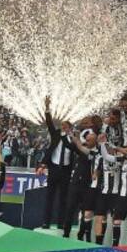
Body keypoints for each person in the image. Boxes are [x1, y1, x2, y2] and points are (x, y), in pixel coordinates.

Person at [42, 95, 78, 230]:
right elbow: (49, 122)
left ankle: (60, 223)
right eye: (62, 125)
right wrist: (47, 108)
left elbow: (77, 150)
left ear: (70, 128)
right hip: (54, 168)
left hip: (66, 170)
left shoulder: (73, 139)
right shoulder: (56, 134)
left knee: (63, 199)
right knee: (49, 197)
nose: (62, 127)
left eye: (65, 126)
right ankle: (46, 222)